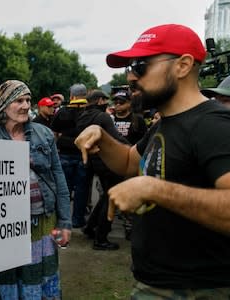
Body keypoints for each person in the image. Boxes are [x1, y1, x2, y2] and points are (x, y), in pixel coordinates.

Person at [75, 24, 230, 298]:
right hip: (156, 281)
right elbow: (127, 162)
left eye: (141, 65)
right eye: (129, 67)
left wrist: (155, 189)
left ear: (182, 66)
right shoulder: (166, 122)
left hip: (196, 288)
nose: (131, 75)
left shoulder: (213, 125)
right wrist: (102, 135)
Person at [0, 80, 71, 299]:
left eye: (28, 100)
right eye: (19, 100)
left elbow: (59, 177)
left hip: (43, 224)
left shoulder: (44, 134)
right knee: (7, 281)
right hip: (4, 228)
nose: (26, 105)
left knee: (40, 279)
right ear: (3, 105)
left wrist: (64, 223)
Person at [78, 90, 127, 250]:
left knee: (106, 195)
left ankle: (90, 227)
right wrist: (132, 147)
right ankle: (101, 238)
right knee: (111, 197)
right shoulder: (103, 117)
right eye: (105, 100)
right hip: (107, 161)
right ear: (100, 100)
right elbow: (114, 138)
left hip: (92, 161)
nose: (108, 103)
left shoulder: (83, 116)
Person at [51, 83, 89, 228]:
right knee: (82, 190)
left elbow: (54, 133)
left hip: (65, 154)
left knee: (64, 189)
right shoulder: (88, 111)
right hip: (83, 155)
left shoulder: (62, 112)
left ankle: (63, 218)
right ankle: (78, 219)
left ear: (72, 96)